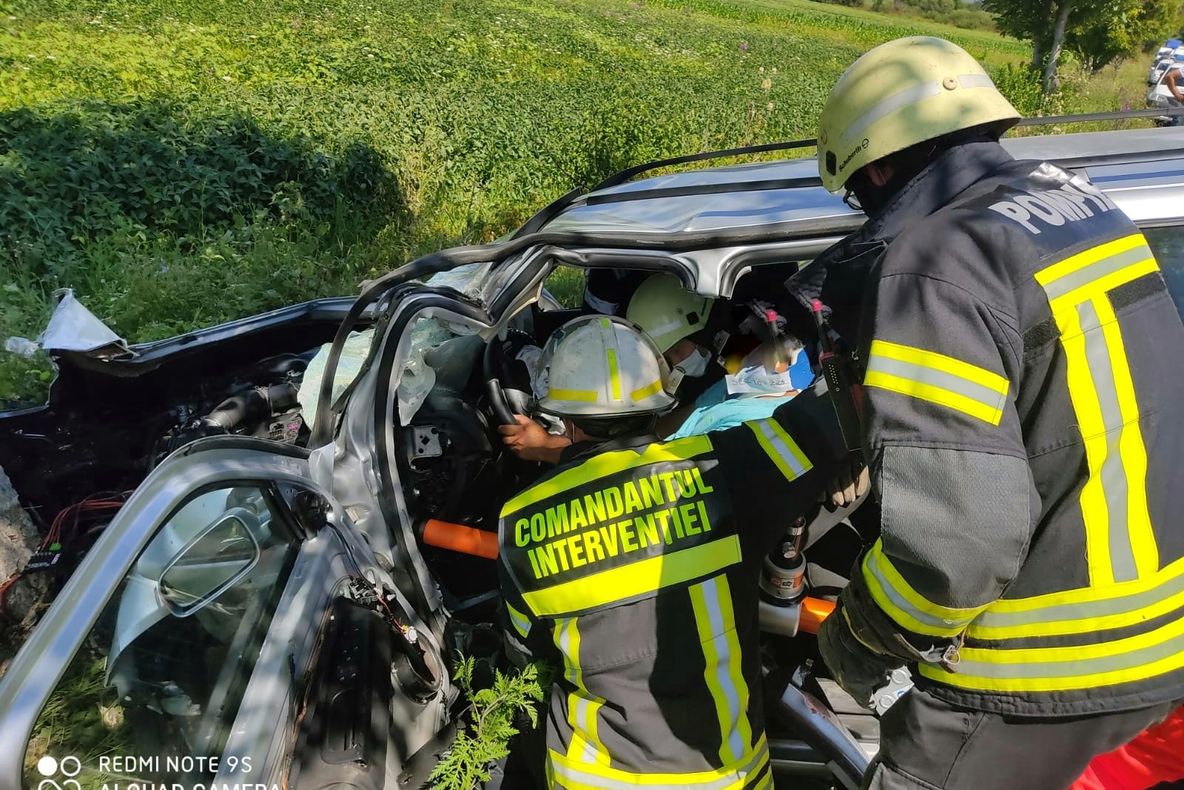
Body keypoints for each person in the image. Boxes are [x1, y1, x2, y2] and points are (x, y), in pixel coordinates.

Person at [795, 35, 1184, 789]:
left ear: (878, 168)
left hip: (1048, 665)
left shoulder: (936, 260)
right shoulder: (1082, 205)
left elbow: (958, 548)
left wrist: (861, 633)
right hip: (1161, 636)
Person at [496, 315, 847, 789]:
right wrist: (851, 459)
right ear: (660, 401)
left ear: (566, 419)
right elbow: (833, 414)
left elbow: (526, 653)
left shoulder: (520, 521)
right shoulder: (724, 468)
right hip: (728, 777)